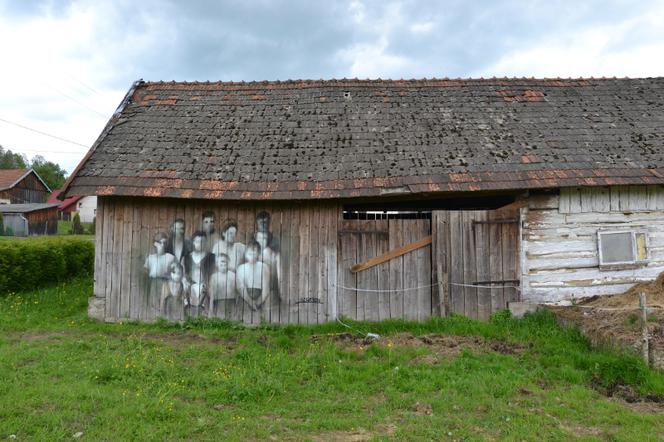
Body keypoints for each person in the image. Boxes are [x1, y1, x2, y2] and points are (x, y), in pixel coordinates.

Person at [144, 232, 176, 318]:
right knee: (153, 302)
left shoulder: (170, 257)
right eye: (160, 242)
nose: (163, 245)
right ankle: (153, 320)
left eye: (165, 243)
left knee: (164, 301)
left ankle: (164, 320)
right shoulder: (150, 258)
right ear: (155, 243)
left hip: (165, 282)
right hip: (154, 282)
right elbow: (146, 271)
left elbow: (175, 272)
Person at [183, 231, 213, 317]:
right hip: (190, 286)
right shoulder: (186, 258)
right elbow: (183, 274)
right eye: (198, 241)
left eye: (203, 241)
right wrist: (185, 281)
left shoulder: (212, 257)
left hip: (206, 286)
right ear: (193, 242)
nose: (200, 244)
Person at [236, 241, 271, 311]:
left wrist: (258, 302)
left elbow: (266, 288)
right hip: (245, 299)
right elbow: (240, 288)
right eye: (249, 254)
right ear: (245, 254)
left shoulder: (264, 267)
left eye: (254, 253)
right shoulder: (241, 268)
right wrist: (250, 302)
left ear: (258, 254)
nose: (252, 256)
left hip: (261, 299)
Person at [207, 253, 237, 317]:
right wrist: (211, 309)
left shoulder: (233, 275)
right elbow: (211, 294)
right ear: (217, 264)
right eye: (221, 263)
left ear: (228, 263)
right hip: (218, 303)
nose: (223, 265)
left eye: (225, 263)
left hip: (231, 303)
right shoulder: (214, 277)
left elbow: (237, 292)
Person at [255, 229, 281, 300]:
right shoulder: (252, 252)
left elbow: (278, 274)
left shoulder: (273, 254)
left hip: (270, 286)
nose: (261, 240)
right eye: (259, 238)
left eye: (264, 238)